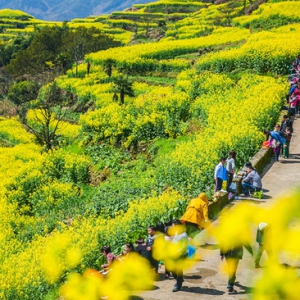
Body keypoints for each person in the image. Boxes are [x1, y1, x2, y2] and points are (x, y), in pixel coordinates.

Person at [170, 219, 188, 292]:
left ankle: (178, 286)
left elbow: (183, 247)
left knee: (179, 270)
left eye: (173, 226)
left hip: (181, 255)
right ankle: (179, 280)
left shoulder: (184, 235)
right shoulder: (177, 232)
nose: (172, 227)